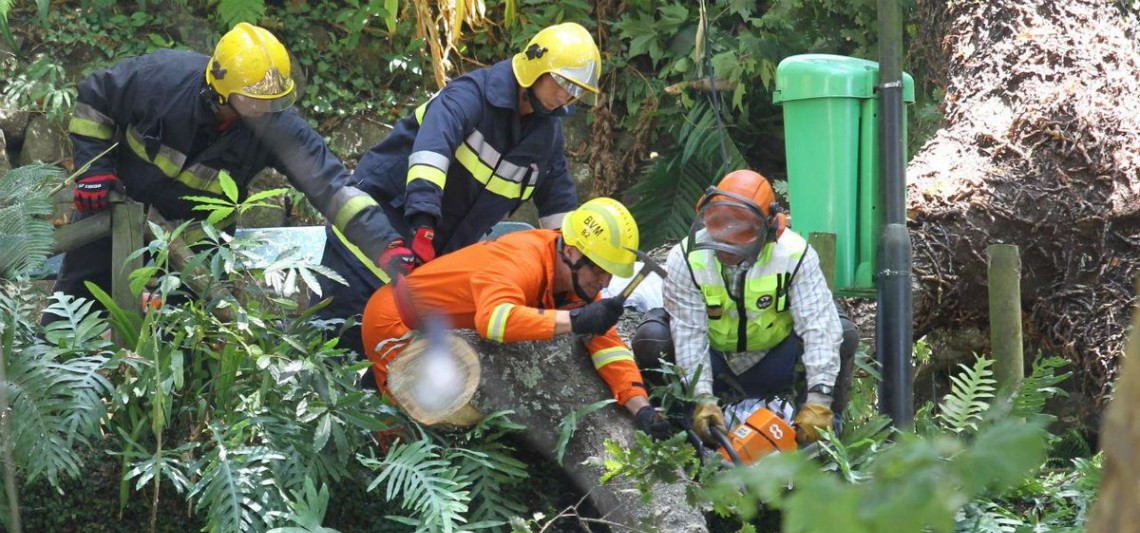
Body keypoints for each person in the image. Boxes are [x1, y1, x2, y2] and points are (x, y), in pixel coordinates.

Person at [49, 22, 396, 322]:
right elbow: (95, 98)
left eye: (275, 101)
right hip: (114, 213)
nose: (264, 110)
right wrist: (93, 170)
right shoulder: (162, 80)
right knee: (70, 311)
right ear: (219, 91)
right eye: (253, 101)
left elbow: (333, 187)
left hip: (196, 243)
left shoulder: (276, 127)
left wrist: (387, 245)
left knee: (188, 337)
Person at [314, 22, 601, 358]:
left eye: (576, 91)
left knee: (392, 365)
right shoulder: (469, 96)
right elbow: (430, 156)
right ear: (537, 67)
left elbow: (560, 210)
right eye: (564, 83)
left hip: (428, 262)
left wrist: (580, 270)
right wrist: (423, 223)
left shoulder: (546, 136)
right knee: (331, 345)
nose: (567, 96)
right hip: (370, 239)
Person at [361, 198, 669, 437]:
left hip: (442, 331)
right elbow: (493, 320)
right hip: (395, 320)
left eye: (609, 274)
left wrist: (640, 406)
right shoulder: (521, 259)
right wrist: (575, 321)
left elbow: (608, 345)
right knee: (406, 429)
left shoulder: (576, 283)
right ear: (573, 253)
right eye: (600, 271)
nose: (604, 283)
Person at [632, 170, 858, 445]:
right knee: (652, 338)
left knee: (843, 332)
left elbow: (818, 327)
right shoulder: (686, 258)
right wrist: (701, 397)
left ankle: (822, 430)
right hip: (716, 363)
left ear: (771, 228)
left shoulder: (795, 255)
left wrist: (820, 398)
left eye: (738, 235)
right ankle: (677, 431)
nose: (725, 244)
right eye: (720, 230)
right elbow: (689, 334)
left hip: (776, 360)